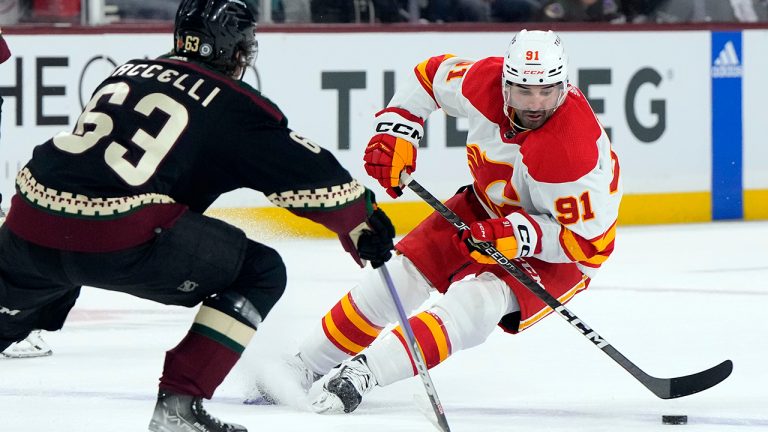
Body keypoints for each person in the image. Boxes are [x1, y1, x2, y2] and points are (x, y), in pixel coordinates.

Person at [0, 0, 394, 431]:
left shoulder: (126, 71)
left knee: (35, 291)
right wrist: (360, 218)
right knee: (260, 271)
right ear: (232, 49)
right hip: (115, 235)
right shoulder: (233, 102)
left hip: (29, 222)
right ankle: (177, 409)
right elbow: (306, 172)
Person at [256, 29, 623, 414]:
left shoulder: (570, 150)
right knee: (400, 276)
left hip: (561, 249)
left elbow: (585, 242)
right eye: (523, 91)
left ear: (563, 87)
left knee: (477, 303)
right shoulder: (483, 81)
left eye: (546, 92)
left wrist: (515, 235)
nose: (534, 104)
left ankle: (365, 373)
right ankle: (302, 366)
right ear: (504, 84)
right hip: (487, 206)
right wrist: (397, 130)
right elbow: (428, 78)